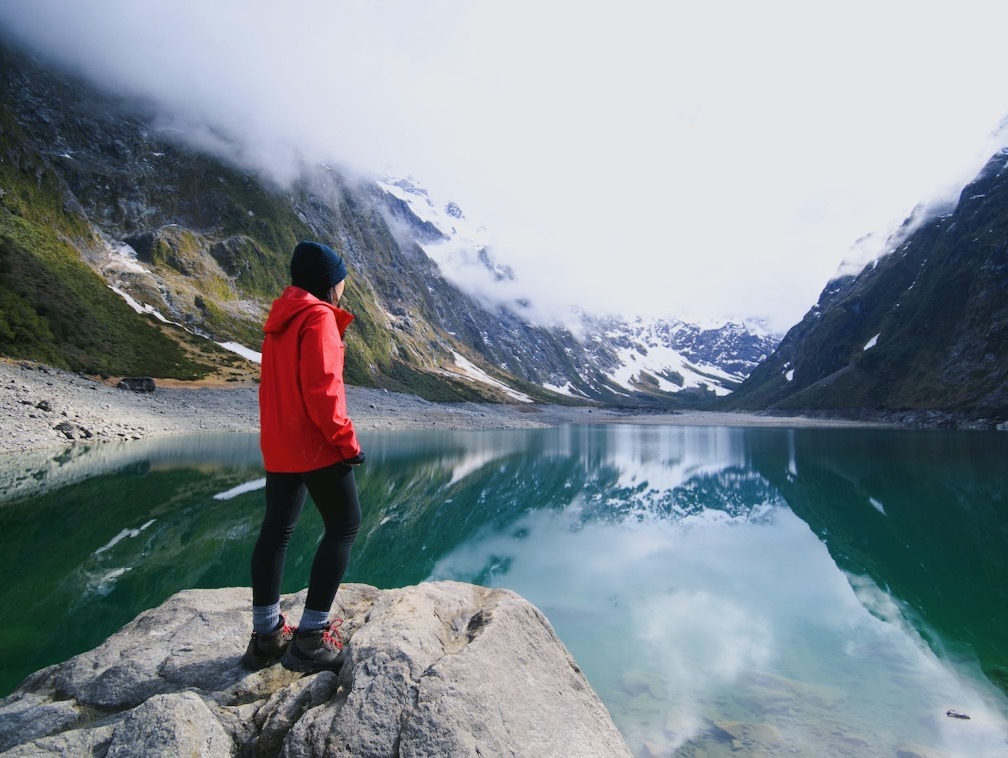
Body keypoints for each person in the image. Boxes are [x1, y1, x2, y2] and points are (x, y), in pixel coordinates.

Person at [241, 240, 365, 673]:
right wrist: (346, 442)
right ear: (328, 282)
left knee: (276, 532)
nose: (344, 286)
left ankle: (267, 634)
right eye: (341, 278)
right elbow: (323, 390)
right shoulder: (318, 318)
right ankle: (312, 637)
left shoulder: (280, 320)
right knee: (345, 525)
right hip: (314, 443)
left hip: (279, 444)